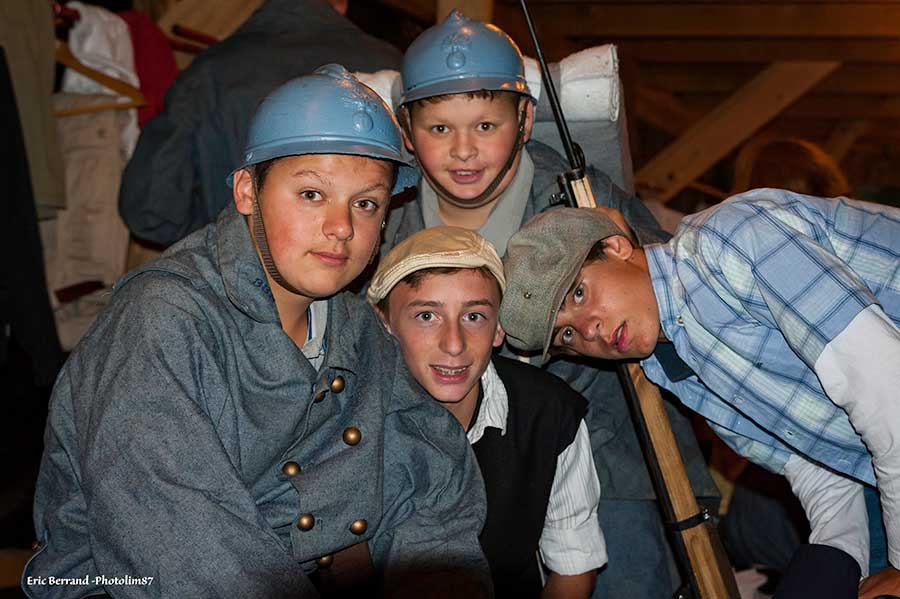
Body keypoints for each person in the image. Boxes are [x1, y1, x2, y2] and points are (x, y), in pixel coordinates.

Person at [24, 65, 491, 599]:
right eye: (312, 194)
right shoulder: (162, 321)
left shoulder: (356, 327)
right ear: (247, 191)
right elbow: (183, 547)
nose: (342, 227)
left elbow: (435, 475)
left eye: (365, 203)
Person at [382, 10, 719, 598]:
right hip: (436, 452)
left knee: (627, 575)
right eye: (439, 129)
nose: (464, 150)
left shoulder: (585, 202)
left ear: (524, 119)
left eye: (486, 125)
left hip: (604, 447)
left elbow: (677, 315)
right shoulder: (389, 220)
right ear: (407, 132)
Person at [499, 190, 900, 598]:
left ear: (616, 247)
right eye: (567, 334)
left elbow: (889, 391)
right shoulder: (674, 368)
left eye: (579, 294)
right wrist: (834, 563)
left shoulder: (731, 241)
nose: (589, 330)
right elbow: (817, 468)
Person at [367, 226, 607, 598]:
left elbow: (573, 567)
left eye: (474, 316)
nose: (453, 344)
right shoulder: (351, 418)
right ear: (385, 327)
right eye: (427, 316)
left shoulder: (546, 413)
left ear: (499, 328)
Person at [119, 0, 403, 247]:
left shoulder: (208, 73)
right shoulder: (393, 67)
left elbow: (150, 210)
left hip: (237, 276)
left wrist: (221, 234)